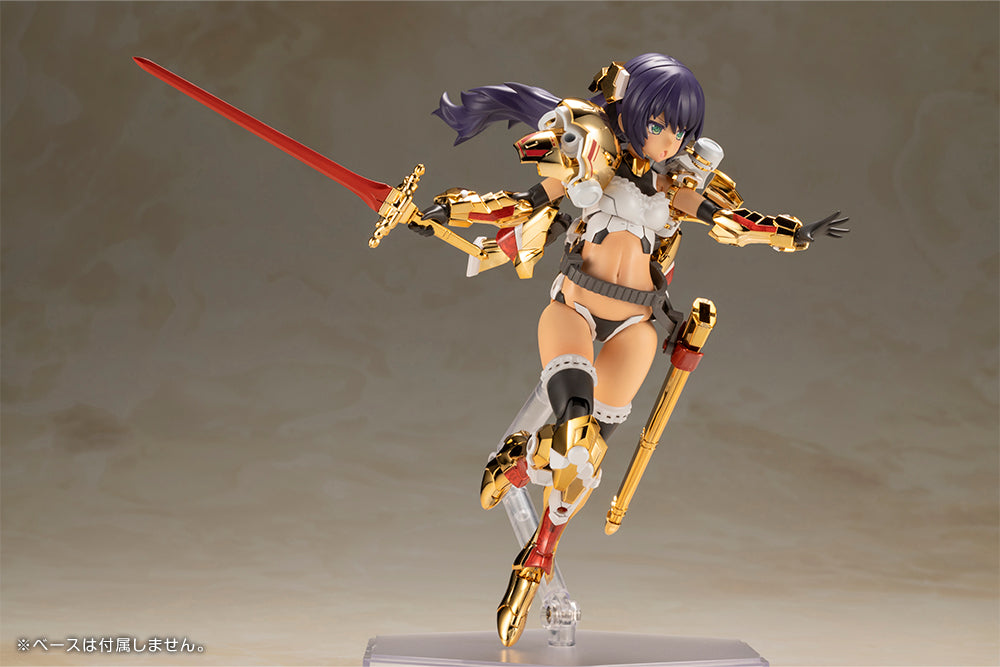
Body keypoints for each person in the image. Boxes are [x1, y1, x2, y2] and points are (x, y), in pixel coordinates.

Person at [411, 52, 847, 647]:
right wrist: (445, 212)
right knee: (573, 426)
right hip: (575, 307)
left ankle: (533, 541)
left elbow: (731, 221)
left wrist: (791, 232)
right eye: (659, 124)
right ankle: (519, 465)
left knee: (585, 464)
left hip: (636, 325)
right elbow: (525, 203)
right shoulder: (593, 164)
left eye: (680, 131)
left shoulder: (675, 187)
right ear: (634, 112)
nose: (669, 140)